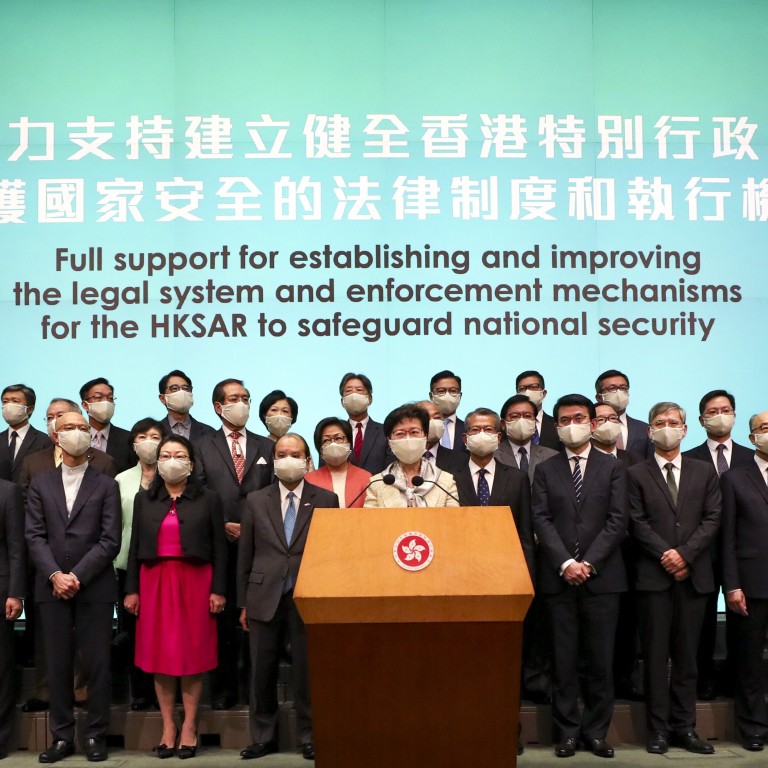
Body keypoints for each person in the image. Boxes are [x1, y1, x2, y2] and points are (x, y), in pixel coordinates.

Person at [532, 394, 627, 759]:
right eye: (564, 419)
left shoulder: (612, 466)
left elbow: (618, 521)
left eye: (579, 417)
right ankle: (567, 733)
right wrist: (565, 564)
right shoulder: (547, 469)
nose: (572, 424)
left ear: (592, 423)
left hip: (602, 579)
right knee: (564, 660)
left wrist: (588, 562)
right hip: (559, 580)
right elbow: (540, 518)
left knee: (601, 661)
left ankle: (596, 733)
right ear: (556, 427)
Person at [25, 410, 121, 764]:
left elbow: (109, 540)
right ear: (55, 436)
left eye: (83, 428)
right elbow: (34, 536)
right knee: (58, 665)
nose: (77, 433)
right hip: (50, 587)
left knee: (97, 664)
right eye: (69, 428)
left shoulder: (106, 484)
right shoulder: (40, 483)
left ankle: (96, 735)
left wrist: (76, 576)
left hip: (93, 587)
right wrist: (55, 575)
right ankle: (62, 737)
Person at [124, 435, 227, 760]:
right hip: (154, 582)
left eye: (179, 454)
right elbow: (135, 547)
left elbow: (220, 550)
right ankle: (168, 726)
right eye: (165, 454)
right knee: (161, 657)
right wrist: (131, 589)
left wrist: (219, 589)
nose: (172, 460)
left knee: (191, 655)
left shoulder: (209, 499)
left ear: (191, 463)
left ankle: (190, 726)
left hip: (196, 582)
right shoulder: (145, 499)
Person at [237, 433, 339, 761]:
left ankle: (310, 735)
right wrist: (243, 602)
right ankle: (263, 736)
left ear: (308, 460)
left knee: (307, 672)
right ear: (274, 459)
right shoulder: (255, 499)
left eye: (295, 454)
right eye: (281, 454)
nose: (288, 459)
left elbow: (330, 553)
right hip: (263, 595)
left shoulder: (326, 499)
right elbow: (246, 554)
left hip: (308, 595)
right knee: (261, 671)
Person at [627, 401, 721, 755]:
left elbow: (713, 518)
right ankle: (658, 730)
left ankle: (686, 728)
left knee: (687, 658)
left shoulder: (703, 472)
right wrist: (667, 554)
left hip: (693, 576)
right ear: (649, 431)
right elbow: (635, 521)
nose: (667, 427)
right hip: (653, 577)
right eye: (660, 422)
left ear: (684, 429)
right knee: (654, 657)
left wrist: (686, 554)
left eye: (674, 422)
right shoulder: (636, 474)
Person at [196, 379, 274, 710]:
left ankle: (256, 694)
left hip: (261, 547)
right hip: (221, 547)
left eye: (245, 398)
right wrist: (221, 524)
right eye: (233, 398)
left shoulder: (267, 446)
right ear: (218, 406)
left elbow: (274, 491)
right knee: (224, 623)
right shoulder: (202, 445)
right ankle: (225, 692)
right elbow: (198, 491)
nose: (241, 403)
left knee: (257, 622)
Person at [683, 389, 753, 701]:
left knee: (746, 623)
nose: (719, 415)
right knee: (705, 620)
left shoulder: (752, 458)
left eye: (725, 409)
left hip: (744, 553)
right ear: (701, 420)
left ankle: (738, 681)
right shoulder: (688, 459)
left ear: (735, 415)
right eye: (712, 411)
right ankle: (706, 680)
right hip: (703, 553)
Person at [720, 410, 768, 751]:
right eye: (764, 428)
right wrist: (732, 585)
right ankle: (753, 728)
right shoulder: (736, 477)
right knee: (750, 662)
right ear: (752, 437)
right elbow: (728, 538)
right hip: (751, 585)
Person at [114, 418, 169, 711]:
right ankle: (141, 692)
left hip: (164, 566)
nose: (149, 440)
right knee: (134, 633)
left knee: (163, 630)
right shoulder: (120, 480)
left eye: (155, 435)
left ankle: (165, 691)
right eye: (142, 436)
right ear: (133, 443)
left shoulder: (173, 478)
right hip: (126, 566)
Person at [454, 408, 534, 577]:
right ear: (465, 438)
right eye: (475, 430)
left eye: (488, 429)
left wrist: (529, 578)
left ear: (498, 437)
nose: (481, 434)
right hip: (461, 567)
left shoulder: (517, 478)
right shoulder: (450, 477)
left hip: (508, 568)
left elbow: (525, 533)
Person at [364, 404, 459, 508]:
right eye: (400, 433)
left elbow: (453, 521)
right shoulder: (377, 483)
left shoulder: (445, 481)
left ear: (425, 437)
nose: (408, 438)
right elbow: (370, 522)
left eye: (414, 432)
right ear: (389, 441)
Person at [0, 478, 25, 760]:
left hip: (2, 590)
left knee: (2, 669)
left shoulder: (8, 491)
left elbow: (17, 546)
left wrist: (16, 592)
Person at [305, 417, 371, 507]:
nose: (333, 443)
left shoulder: (366, 477)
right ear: (319, 448)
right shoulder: (309, 480)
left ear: (349, 442)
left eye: (338, 438)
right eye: (326, 440)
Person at [338, 372, 393, 474]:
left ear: (370, 399)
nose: (354, 395)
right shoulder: (335, 434)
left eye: (359, 390)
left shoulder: (386, 431)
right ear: (342, 401)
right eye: (348, 391)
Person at [496, 394, 558, 483]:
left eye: (528, 416)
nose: (522, 421)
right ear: (503, 424)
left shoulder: (552, 456)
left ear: (535, 422)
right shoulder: (492, 456)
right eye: (515, 416)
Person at [80, 377, 135, 473]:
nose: (106, 402)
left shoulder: (128, 439)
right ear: (85, 405)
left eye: (110, 398)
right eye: (98, 397)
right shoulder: (77, 437)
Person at [0, 383, 51, 484]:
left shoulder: (44, 441)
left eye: (15, 401)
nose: (8, 406)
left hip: (30, 498)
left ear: (30, 409)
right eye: (5, 402)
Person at [595, 369, 651, 457]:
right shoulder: (589, 426)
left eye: (623, 388)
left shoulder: (644, 429)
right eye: (612, 388)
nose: (619, 392)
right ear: (599, 397)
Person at [158, 370, 216, 444]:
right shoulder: (155, 432)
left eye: (186, 388)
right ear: (163, 398)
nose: (182, 392)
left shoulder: (209, 432)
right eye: (175, 388)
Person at [514, 371, 560, 450]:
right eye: (522, 389)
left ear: (543, 393)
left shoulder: (558, 425)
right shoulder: (508, 426)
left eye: (533, 387)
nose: (527, 392)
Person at [416, 399, 464, 475]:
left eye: (437, 417)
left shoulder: (460, 460)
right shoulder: (396, 460)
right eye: (426, 418)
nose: (433, 422)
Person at [428, 370, 466, 450]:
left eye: (453, 391)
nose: (447, 395)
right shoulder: (421, 429)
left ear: (460, 396)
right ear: (431, 396)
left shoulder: (468, 430)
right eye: (441, 391)